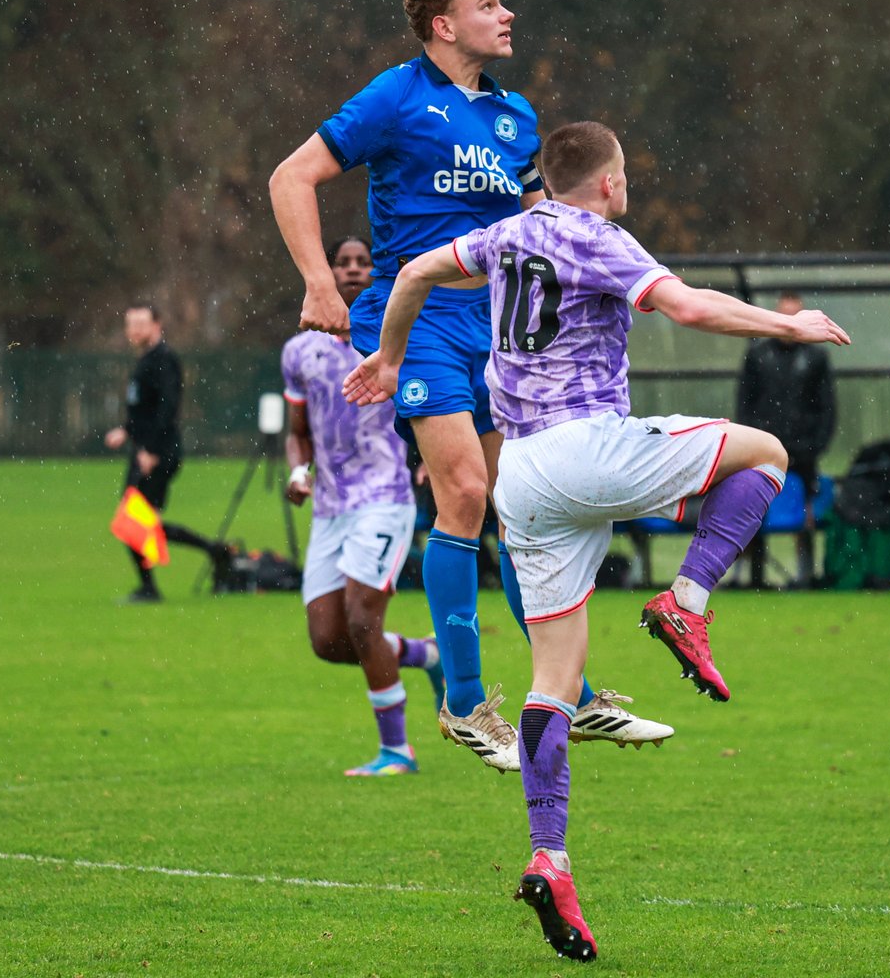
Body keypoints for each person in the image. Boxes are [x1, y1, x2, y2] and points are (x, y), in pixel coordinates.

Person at [342, 120, 851, 960]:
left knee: (554, 679)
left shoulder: (505, 234)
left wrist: (391, 355)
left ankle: (552, 858)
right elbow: (687, 306)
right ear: (609, 184)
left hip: (525, 478)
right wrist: (790, 326)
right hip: (587, 446)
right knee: (766, 456)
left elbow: (421, 270)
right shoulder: (599, 236)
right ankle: (686, 603)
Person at [269, 0, 670, 771]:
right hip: (414, 322)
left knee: (521, 512)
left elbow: (535, 225)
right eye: (491, 4)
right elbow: (291, 176)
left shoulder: (515, 116)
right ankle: (461, 705)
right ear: (444, 25)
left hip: (493, 332)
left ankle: (574, 693)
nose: (508, 14)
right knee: (467, 493)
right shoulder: (396, 95)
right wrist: (319, 279)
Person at [281, 236, 445, 777]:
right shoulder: (300, 350)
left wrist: (430, 453)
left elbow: (430, 398)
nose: (352, 270)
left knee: (362, 619)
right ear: (326, 272)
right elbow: (297, 432)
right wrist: (299, 472)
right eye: (342, 262)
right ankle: (424, 655)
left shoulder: (395, 335)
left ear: (377, 273)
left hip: (385, 498)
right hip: (330, 508)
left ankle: (397, 750)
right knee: (328, 640)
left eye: (362, 262)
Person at [736, 292, 837, 586]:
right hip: (762, 451)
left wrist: (811, 448)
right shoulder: (758, 354)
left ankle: (805, 574)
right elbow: (745, 404)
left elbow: (827, 408)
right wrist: (752, 443)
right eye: (786, 317)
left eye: (796, 317)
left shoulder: (816, 357)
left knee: (804, 513)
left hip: (804, 455)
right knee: (750, 508)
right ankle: (748, 577)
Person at [104, 303, 183, 603]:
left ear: (156, 325)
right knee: (142, 521)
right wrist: (126, 430)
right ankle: (216, 551)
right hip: (146, 449)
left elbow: (167, 407)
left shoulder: (164, 359)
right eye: (130, 324)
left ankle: (149, 588)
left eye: (140, 323)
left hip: (158, 453)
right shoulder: (146, 360)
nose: (134, 330)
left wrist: (150, 449)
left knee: (134, 520)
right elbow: (145, 408)